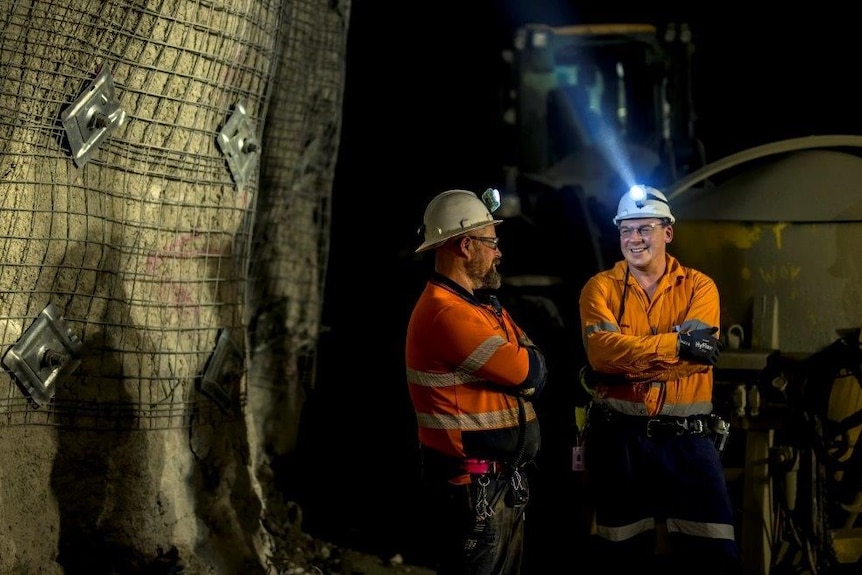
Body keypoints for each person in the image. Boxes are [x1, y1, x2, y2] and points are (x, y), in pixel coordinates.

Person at [577, 184, 741, 575]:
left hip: (688, 442)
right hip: (621, 442)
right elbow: (601, 354)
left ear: (667, 232)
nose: (633, 239)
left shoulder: (700, 287)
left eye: (643, 229)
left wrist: (628, 355)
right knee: (620, 556)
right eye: (625, 231)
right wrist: (676, 345)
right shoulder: (599, 288)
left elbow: (700, 360)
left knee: (714, 555)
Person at [405, 188, 548, 575]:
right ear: (466, 246)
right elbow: (530, 372)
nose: (498, 252)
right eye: (491, 243)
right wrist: (524, 369)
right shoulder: (447, 314)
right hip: (474, 491)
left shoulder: (476, 307)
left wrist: (525, 365)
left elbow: (535, 364)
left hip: (492, 486)